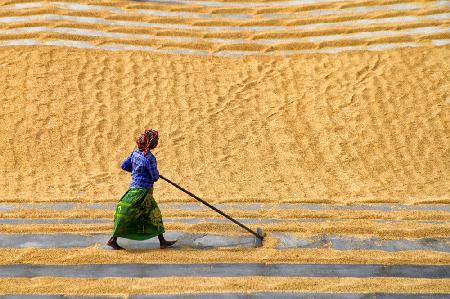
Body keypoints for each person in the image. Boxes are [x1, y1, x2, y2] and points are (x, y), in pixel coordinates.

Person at [107, 129, 177, 250]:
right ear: (151, 143)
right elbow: (155, 177)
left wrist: (136, 172)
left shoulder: (134, 154)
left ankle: (162, 241)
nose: (157, 142)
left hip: (135, 189)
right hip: (143, 191)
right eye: (156, 140)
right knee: (139, 214)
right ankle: (113, 240)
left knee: (152, 214)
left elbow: (124, 166)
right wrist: (150, 173)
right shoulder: (149, 158)